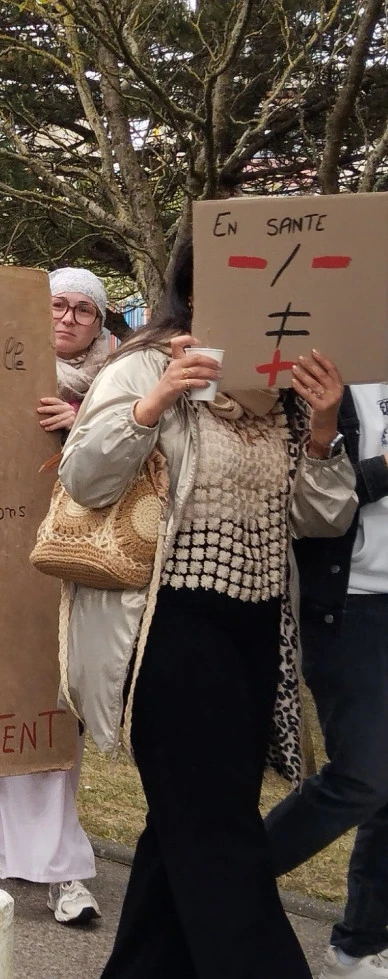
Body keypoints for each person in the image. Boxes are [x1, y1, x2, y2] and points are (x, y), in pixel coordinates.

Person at [60, 242, 356, 978]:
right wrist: (152, 402)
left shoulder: (285, 389)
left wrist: (322, 433)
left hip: (255, 631)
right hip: (168, 627)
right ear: (195, 291)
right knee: (221, 836)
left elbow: (322, 520)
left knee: (185, 828)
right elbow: (84, 477)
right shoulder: (142, 364)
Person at [0, 267, 107, 925]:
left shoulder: (121, 381)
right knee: (10, 700)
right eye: (58, 304)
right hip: (2, 558)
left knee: (59, 712)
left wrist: (83, 422)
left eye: (85, 309)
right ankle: (34, 846)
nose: (70, 317)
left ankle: (56, 862)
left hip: (83, 566)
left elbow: (143, 458)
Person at [267, 380, 388, 979]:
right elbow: (305, 507)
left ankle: (359, 943)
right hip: (354, 605)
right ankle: (219, 879)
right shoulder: (325, 382)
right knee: (364, 778)